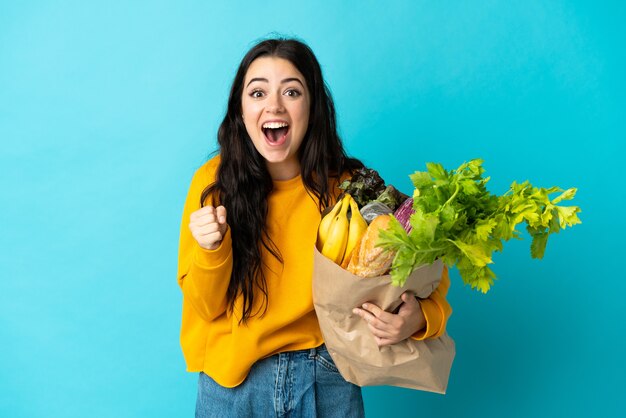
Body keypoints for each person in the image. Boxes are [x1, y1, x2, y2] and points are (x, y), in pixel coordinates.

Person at [177, 37, 452, 418]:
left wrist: (420, 318)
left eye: (291, 91)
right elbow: (205, 307)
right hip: (234, 387)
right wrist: (211, 249)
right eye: (257, 92)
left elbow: (424, 263)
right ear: (240, 110)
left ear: (312, 107)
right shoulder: (213, 183)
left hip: (328, 378)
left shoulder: (353, 186)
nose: (274, 105)